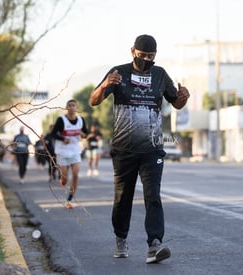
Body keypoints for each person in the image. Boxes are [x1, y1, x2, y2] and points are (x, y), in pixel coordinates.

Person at [90, 34, 190, 264]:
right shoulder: (119, 72)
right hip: (124, 149)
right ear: (132, 51)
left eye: (151, 56)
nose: (147, 59)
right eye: (143, 55)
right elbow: (94, 100)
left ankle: (155, 245)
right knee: (122, 198)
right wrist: (106, 84)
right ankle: (120, 238)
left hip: (152, 149)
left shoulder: (160, 75)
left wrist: (183, 98)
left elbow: (176, 102)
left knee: (153, 195)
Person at [51, 99, 88, 209]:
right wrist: (62, 138)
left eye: (73, 105)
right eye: (69, 105)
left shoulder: (81, 120)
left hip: (75, 151)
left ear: (76, 108)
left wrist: (83, 135)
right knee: (65, 179)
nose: (72, 107)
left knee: (76, 175)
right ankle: (62, 180)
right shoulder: (61, 120)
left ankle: (69, 200)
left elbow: (86, 133)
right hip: (62, 151)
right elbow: (53, 134)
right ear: (66, 108)